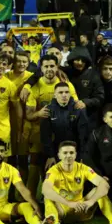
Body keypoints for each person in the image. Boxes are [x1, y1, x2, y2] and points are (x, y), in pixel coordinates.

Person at [41, 141, 112, 224]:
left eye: (71, 153)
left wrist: (91, 201)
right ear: (59, 155)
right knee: (48, 197)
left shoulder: (83, 168)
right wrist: (69, 203)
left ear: (75, 155)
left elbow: (104, 184)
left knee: (99, 191)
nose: (68, 156)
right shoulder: (54, 170)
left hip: (82, 209)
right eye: (65, 153)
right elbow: (45, 190)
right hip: (62, 212)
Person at [24, 55, 78, 195]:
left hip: (62, 132)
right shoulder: (35, 87)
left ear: (57, 67)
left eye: (52, 66)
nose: (49, 69)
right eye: (46, 66)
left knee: (61, 163)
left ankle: (58, 195)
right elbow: (28, 115)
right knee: (36, 162)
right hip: (39, 131)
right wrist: (38, 114)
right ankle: (31, 196)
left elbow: (76, 106)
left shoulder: (65, 85)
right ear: (41, 68)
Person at [40, 82, 89, 168]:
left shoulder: (78, 109)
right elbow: (45, 136)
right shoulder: (48, 110)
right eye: (60, 92)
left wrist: (82, 155)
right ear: (55, 95)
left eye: (66, 92)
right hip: (56, 151)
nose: (64, 95)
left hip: (75, 151)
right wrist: (50, 155)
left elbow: (84, 135)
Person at [0, 54, 22, 157]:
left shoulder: (9, 85)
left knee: (2, 160)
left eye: (4, 64)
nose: (2, 66)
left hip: (3, 129)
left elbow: (17, 107)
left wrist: (19, 130)